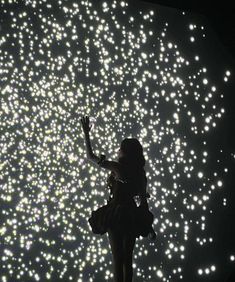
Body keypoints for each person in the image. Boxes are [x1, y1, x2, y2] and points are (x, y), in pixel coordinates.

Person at [80, 115, 156, 282]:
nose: (118, 151)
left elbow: (91, 157)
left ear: (125, 152)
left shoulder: (118, 168)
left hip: (115, 214)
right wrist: (147, 225)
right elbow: (144, 203)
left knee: (117, 260)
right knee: (127, 261)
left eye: (120, 148)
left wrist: (86, 133)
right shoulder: (140, 175)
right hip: (131, 215)